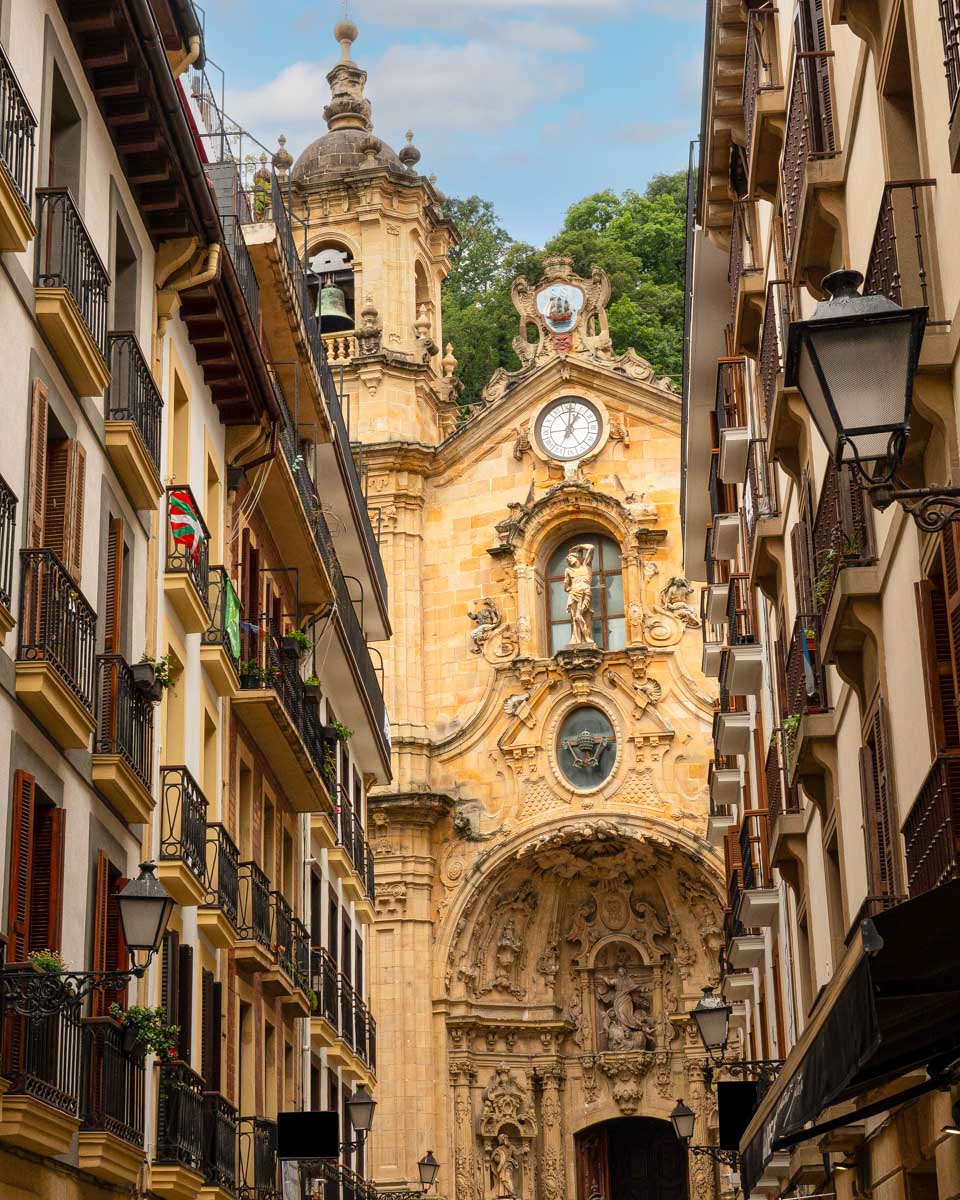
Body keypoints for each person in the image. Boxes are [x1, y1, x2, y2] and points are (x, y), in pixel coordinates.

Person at [563, 543, 596, 644]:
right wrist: (570, 588)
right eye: (568, 558)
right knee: (574, 617)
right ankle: (577, 639)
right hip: (573, 594)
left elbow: (591, 548)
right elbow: (566, 585)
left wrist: (580, 546)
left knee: (579, 614)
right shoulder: (568, 570)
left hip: (585, 593)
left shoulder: (586, 565)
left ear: (577, 557)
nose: (568, 559)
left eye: (570, 557)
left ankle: (587, 637)